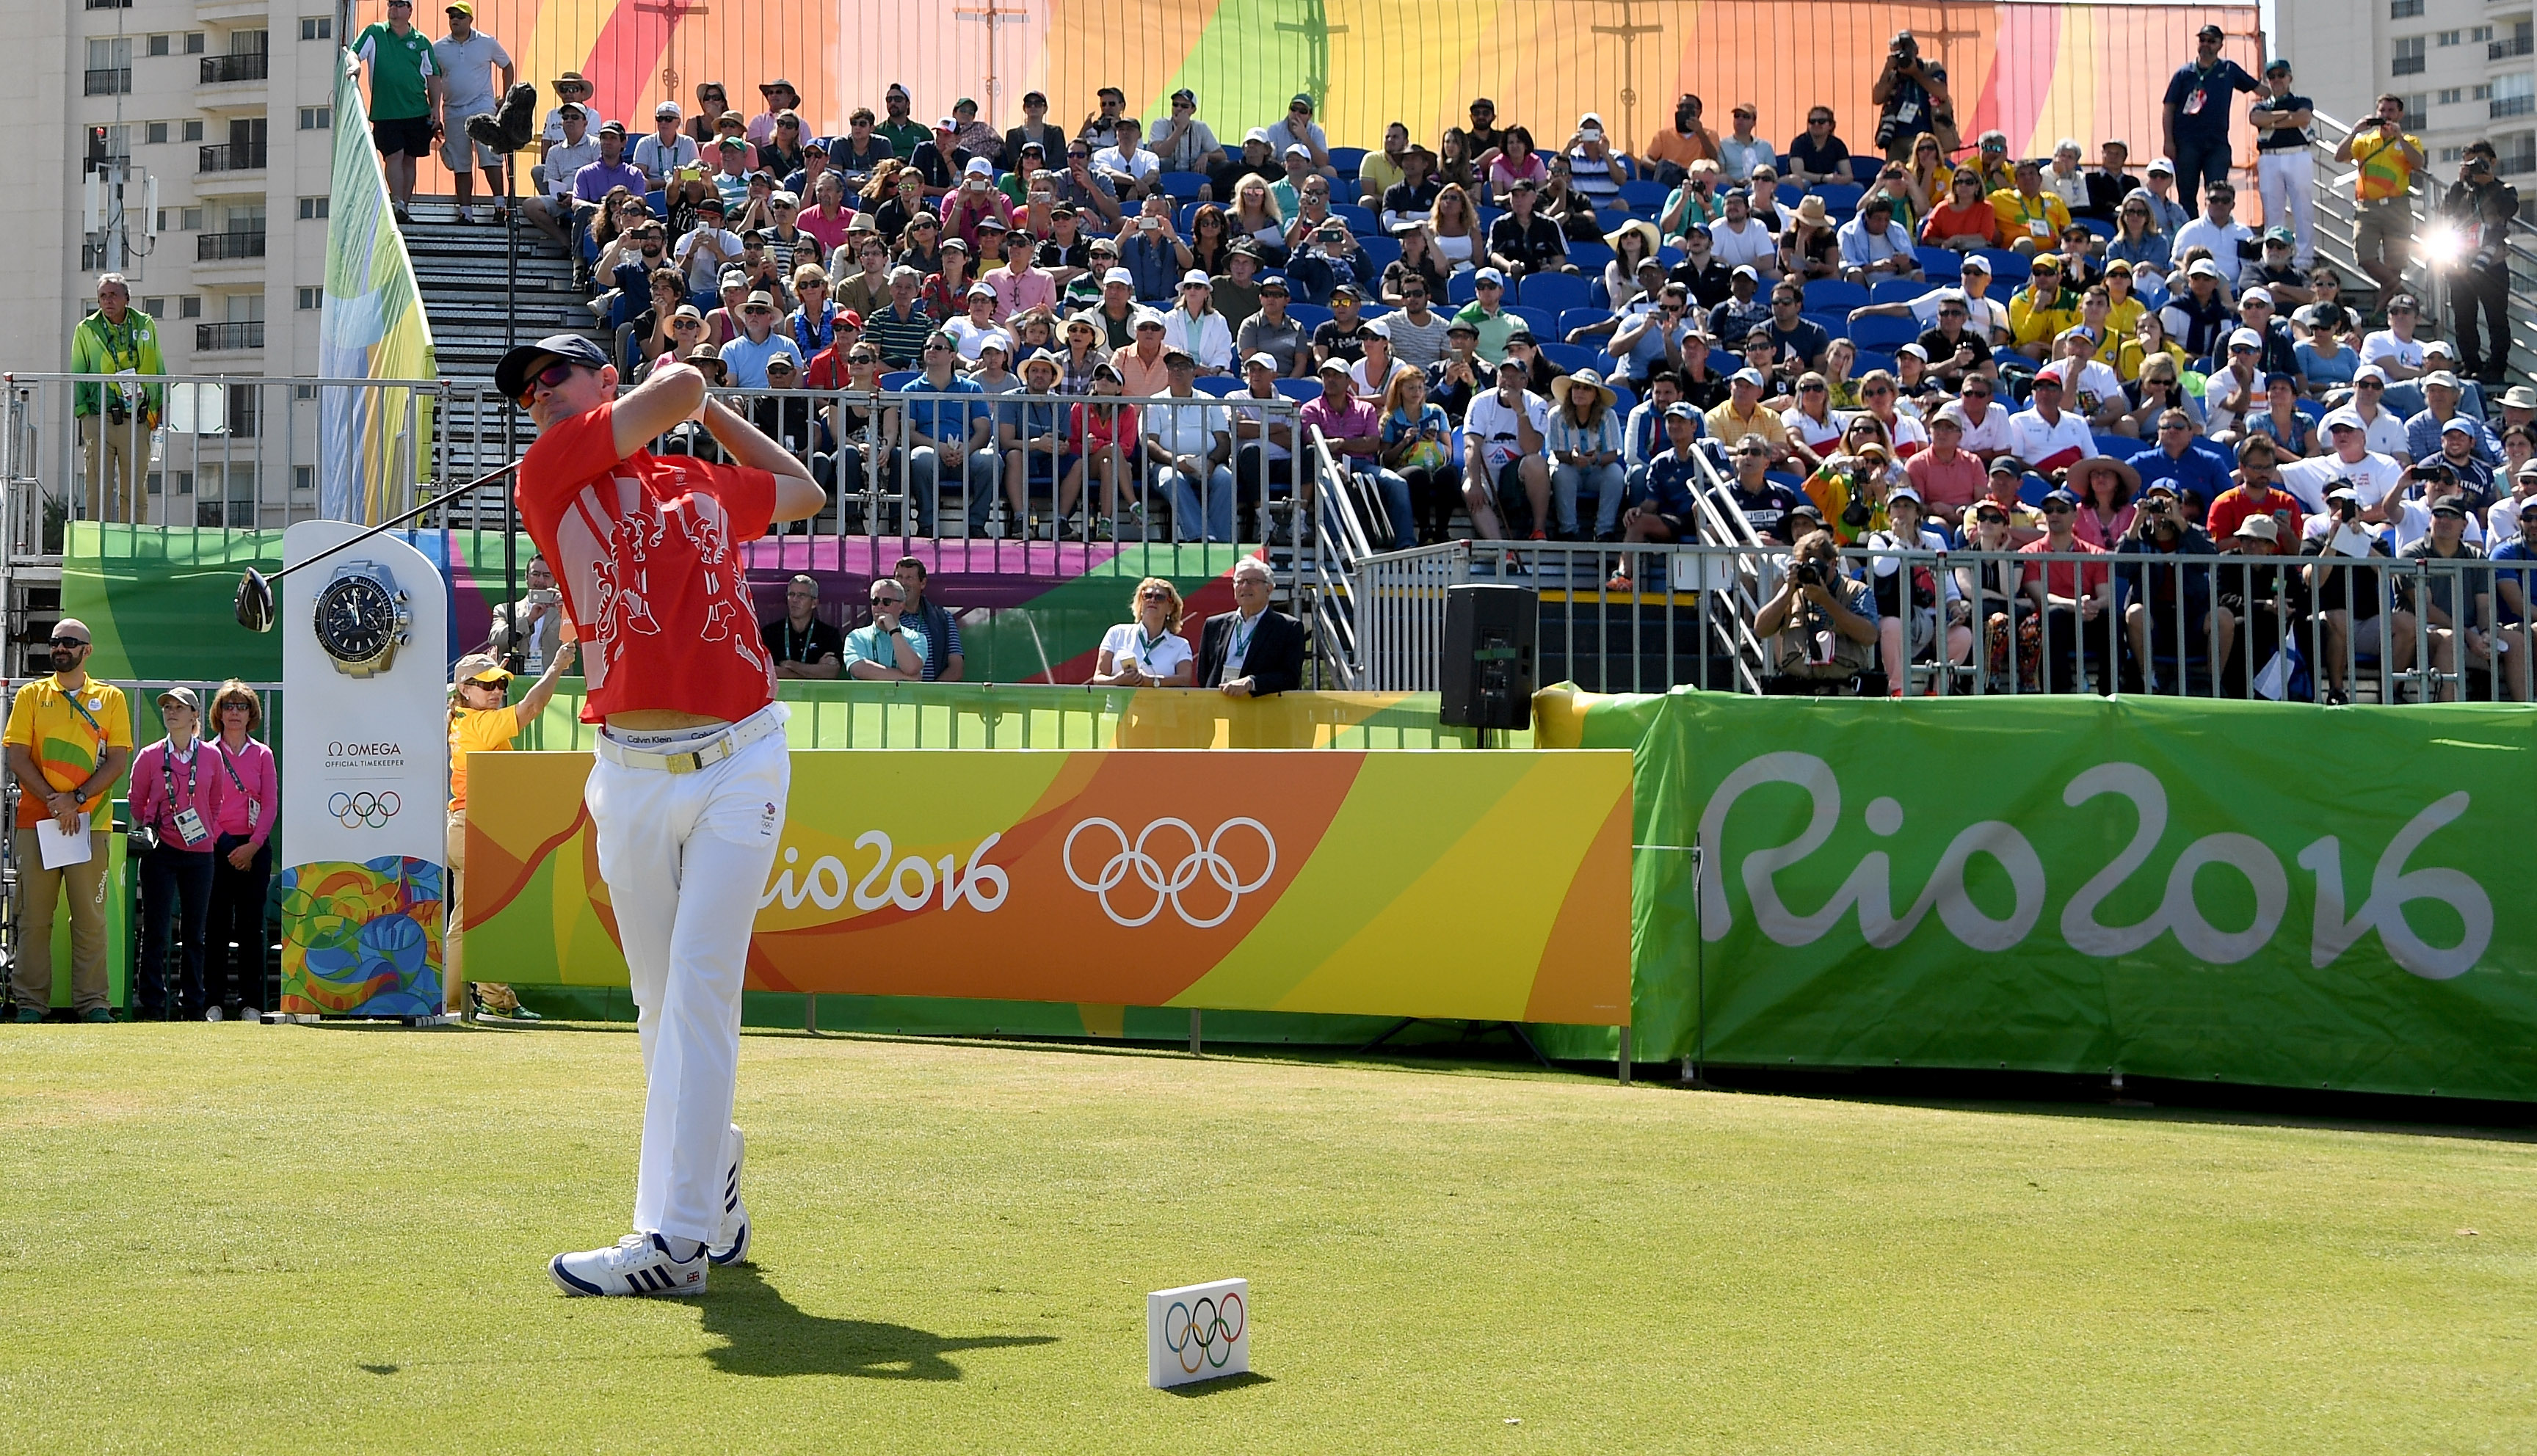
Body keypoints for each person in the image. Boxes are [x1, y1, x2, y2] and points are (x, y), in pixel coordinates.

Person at [500, 330, 824, 1295]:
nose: (538, 397)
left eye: (553, 376)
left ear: (605, 380)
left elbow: (803, 492)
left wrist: (708, 412)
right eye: (525, 391)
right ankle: (711, 1161)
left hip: (743, 760)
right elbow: (678, 377)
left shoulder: (699, 480)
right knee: (661, 1005)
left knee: (698, 987)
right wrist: (683, 391)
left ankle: (674, 1243)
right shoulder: (550, 466)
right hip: (632, 769)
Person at [4, 619, 131, 1022]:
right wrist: (55, 803)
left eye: (70, 643)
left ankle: (94, 1003)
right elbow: (17, 756)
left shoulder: (110, 698)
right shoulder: (30, 695)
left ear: (87, 651)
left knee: (90, 919)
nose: (60, 648)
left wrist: (76, 800)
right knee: (34, 919)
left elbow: (118, 760)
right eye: (55, 642)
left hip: (90, 823)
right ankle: (29, 1004)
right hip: (35, 822)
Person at [446, 646, 573, 1021]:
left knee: (467, 922)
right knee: (481, 920)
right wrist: (556, 667)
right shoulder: (478, 724)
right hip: (475, 827)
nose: (497, 691)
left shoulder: (462, 718)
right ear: (465, 691)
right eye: (487, 686)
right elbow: (532, 708)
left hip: (467, 827)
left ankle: (465, 1002)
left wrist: (488, 670)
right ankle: (488, 1001)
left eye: (501, 684)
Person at [124, 685, 225, 1021]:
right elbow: (137, 802)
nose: (170, 712)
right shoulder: (150, 756)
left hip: (200, 852)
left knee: (195, 932)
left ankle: (192, 1004)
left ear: (195, 715)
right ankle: (153, 1004)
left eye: (179, 707)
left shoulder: (211, 756)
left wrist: (202, 832)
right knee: (156, 929)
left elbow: (214, 801)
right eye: (167, 707)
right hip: (160, 851)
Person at [194, 681, 277, 1022]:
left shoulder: (263, 754)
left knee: (250, 927)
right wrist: (228, 845)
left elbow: (270, 805)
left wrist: (253, 846)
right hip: (217, 848)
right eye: (228, 706)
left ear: (251, 714)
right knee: (214, 926)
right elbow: (200, 803)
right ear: (218, 713)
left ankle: (251, 1004)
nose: (234, 713)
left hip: (255, 850)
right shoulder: (206, 753)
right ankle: (212, 1001)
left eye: (241, 706)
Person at [2114, 482, 2232, 691]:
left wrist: (2180, 523)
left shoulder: (2195, 533)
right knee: (2135, 613)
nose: (2161, 509)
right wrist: (2136, 522)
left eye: (2167, 501)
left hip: (2191, 616)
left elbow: (2211, 560)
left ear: (2180, 505)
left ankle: (2212, 684)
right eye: (2156, 502)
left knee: (2223, 617)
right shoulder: (2137, 535)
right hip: (2155, 619)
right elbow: (2121, 569)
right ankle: (2148, 681)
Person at [70, 273, 166, 525]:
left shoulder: (144, 324)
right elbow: (79, 371)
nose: (108, 301)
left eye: (113, 295)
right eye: (103, 296)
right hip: (98, 415)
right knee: (96, 486)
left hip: (137, 417)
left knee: (135, 488)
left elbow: (157, 366)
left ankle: (132, 545)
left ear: (127, 298)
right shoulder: (86, 329)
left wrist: (159, 407)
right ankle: (97, 543)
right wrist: (83, 412)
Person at [1756, 529, 1880, 688]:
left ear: (1833, 563)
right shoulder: (1791, 592)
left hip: (1844, 693)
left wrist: (1827, 601)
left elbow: (1870, 636)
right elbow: (1761, 630)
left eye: (1817, 565)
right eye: (1805, 566)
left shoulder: (1855, 591)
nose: (1812, 572)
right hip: (1798, 692)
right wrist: (1788, 591)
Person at [2334, 93, 2425, 310]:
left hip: (2397, 206)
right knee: (2364, 256)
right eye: (2382, 111)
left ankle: (2384, 312)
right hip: (2368, 207)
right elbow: (2339, 156)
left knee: (2395, 265)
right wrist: (2355, 130)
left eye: (2391, 111)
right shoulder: (2365, 141)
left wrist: (2400, 137)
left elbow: (2418, 163)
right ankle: (2405, 295)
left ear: (2400, 114)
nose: (2386, 116)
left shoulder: (2410, 140)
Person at [354, 0, 440, 222]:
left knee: (410, 158)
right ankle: (397, 201)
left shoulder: (421, 42)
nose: (394, 9)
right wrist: (354, 65)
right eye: (391, 4)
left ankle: (404, 207)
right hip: (386, 112)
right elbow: (354, 53)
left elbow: (433, 76)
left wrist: (435, 108)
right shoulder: (375, 32)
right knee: (394, 155)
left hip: (417, 110)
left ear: (410, 10)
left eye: (400, 5)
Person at [2439, 145, 2519, 386]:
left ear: (2493, 162)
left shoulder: (2504, 188)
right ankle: (2470, 364)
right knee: (2463, 317)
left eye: (2480, 161)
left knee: (2496, 318)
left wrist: (2490, 183)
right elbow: (2444, 210)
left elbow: (2510, 208)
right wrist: (2459, 181)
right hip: (2460, 262)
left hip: (2491, 263)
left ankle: (2496, 368)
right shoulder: (2461, 190)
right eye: (2469, 161)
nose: (2475, 165)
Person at [2022, 491, 2118, 692]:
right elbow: (2039, 596)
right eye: (2049, 510)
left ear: (2075, 515)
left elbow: (2106, 597)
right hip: (2052, 623)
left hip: (2086, 618)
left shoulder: (2095, 554)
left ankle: (2111, 691)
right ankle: (2060, 692)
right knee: (2054, 614)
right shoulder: (2029, 553)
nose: (2054, 514)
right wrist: (2075, 605)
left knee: (2111, 619)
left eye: (2061, 509)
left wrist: (2093, 606)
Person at [431, 2, 514, 225]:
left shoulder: (487, 42)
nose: (455, 20)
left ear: (470, 19)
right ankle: (465, 213)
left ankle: (500, 207)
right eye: (452, 16)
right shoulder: (437, 48)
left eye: (460, 16)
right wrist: (435, 110)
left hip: (482, 107)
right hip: (453, 110)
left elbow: (507, 65)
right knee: (461, 163)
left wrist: (505, 98)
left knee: (490, 158)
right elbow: (432, 80)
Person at [2163, 23, 2257, 207]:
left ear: (2221, 45)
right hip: (2186, 143)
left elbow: (2259, 89)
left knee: (2216, 193)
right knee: (2186, 195)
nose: (2206, 44)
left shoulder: (2228, 69)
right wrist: (2168, 141)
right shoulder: (2184, 73)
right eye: (2202, 40)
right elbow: (2168, 108)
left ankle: (2215, 232)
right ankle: (2191, 233)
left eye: (2211, 41)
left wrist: (2281, 93)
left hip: (2217, 144)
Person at [1196, 558, 1306, 697]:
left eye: (1253, 582)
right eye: (1240, 582)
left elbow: (1290, 678)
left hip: (1260, 710)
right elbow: (1204, 675)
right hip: (1219, 707)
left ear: (1269, 589)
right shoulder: (1214, 625)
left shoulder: (1288, 627)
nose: (1245, 586)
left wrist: (1252, 683)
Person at [2249, 59, 2316, 269]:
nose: (2277, 80)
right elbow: (2256, 118)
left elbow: (2303, 117)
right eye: (2272, 76)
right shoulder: (2262, 105)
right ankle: (2273, 255)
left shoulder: (2301, 101)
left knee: (2302, 208)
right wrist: (2287, 116)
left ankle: (2304, 258)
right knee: (2273, 209)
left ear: (2289, 78)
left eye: (2281, 75)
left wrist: (2272, 121)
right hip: (2270, 157)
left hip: (2297, 154)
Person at [1093, 578, 1196, 686]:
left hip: (1159, 703)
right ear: (1140, 603)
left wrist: (1153, 682)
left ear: (1170, 608)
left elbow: (1185, 680)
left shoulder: (1181, 645)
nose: (1152, 600)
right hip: (1121, 703)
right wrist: (1118, 680)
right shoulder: (1116, 633)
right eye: (1147, 596)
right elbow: (1098, 678)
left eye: (1160, 597)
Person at [1872, 31, 1951, 162]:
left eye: (1906, 52)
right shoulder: (1893, 73)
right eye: (1897, 54)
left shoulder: (1930, 67)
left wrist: (1915, 72)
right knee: (1898, 177)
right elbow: (1877, 98)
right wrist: (1887, 70)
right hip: (1896, 136)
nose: (1902, 58)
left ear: (1916, 50)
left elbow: (1941, 93)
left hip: (1927, 136)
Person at [891, 557, 964, 682]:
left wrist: (931, 695)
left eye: (909, 578)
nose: (903, 583)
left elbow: (956, 667)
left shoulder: (944, 619)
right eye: (899, 577)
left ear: (923, 583)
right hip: (893, 696)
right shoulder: (880, 616)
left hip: (932, 698)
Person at [843, 577, 929, 681]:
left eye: (886, 602)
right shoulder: (856, 636)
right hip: (868, 698)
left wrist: (893, 630)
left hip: (902, 698)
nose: (880, 606)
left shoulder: (916, 638)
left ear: (901, 607)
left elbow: (911, 668)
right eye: (875, 601)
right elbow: (859, 670)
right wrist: (904, 677)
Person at [759, 573, 843, 678]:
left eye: (801, 595)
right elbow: (768, 671)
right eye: (791, 594)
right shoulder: (770, 633)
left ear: (814, 603)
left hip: (817, 694)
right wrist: (814, 671)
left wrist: (791, 665)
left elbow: (831, 672)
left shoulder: (829, 634)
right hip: (780, 694)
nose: (795, 600)